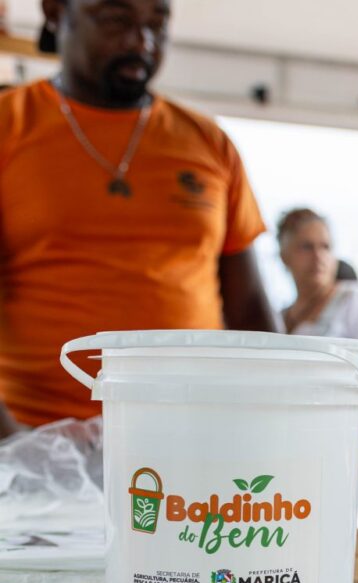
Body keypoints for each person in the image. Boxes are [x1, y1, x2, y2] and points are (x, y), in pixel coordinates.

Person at [0, 0, 276, 437]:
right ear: (55, 12)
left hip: (191, 436)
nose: (141, 41)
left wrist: (275, 421)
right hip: (36, 436)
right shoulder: (10, 126)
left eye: (157, 22)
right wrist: (13, 443)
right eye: (116, 19)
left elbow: (251, 309)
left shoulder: (208, 143)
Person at [278, 208, 358, 509]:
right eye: (306, 246)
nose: (318, 256)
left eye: (326, 247)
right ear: (284, 255)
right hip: (303, 443)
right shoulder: (280, 318)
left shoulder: (351, 299)